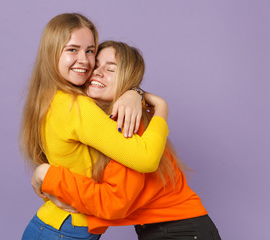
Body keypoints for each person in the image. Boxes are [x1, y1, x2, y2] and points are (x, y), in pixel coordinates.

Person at [32, 41, 222, 240]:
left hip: (181, 231)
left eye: (111, 69)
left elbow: (113, 203)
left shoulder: (127, 123)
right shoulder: (102, 119)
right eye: (95, 65)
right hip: (171, 229)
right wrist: (137, 92)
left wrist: (48, 175)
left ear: (127, 79)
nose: (97, 72)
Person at [20, 13, 170, 240]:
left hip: (49, 225)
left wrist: (134, 91)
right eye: (72, 49)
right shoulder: (77, 107)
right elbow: (147, 159)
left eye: (90, 50)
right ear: (51, 52)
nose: (84, 60)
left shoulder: (49, 98)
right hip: (65, 230)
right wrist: (160, 107)